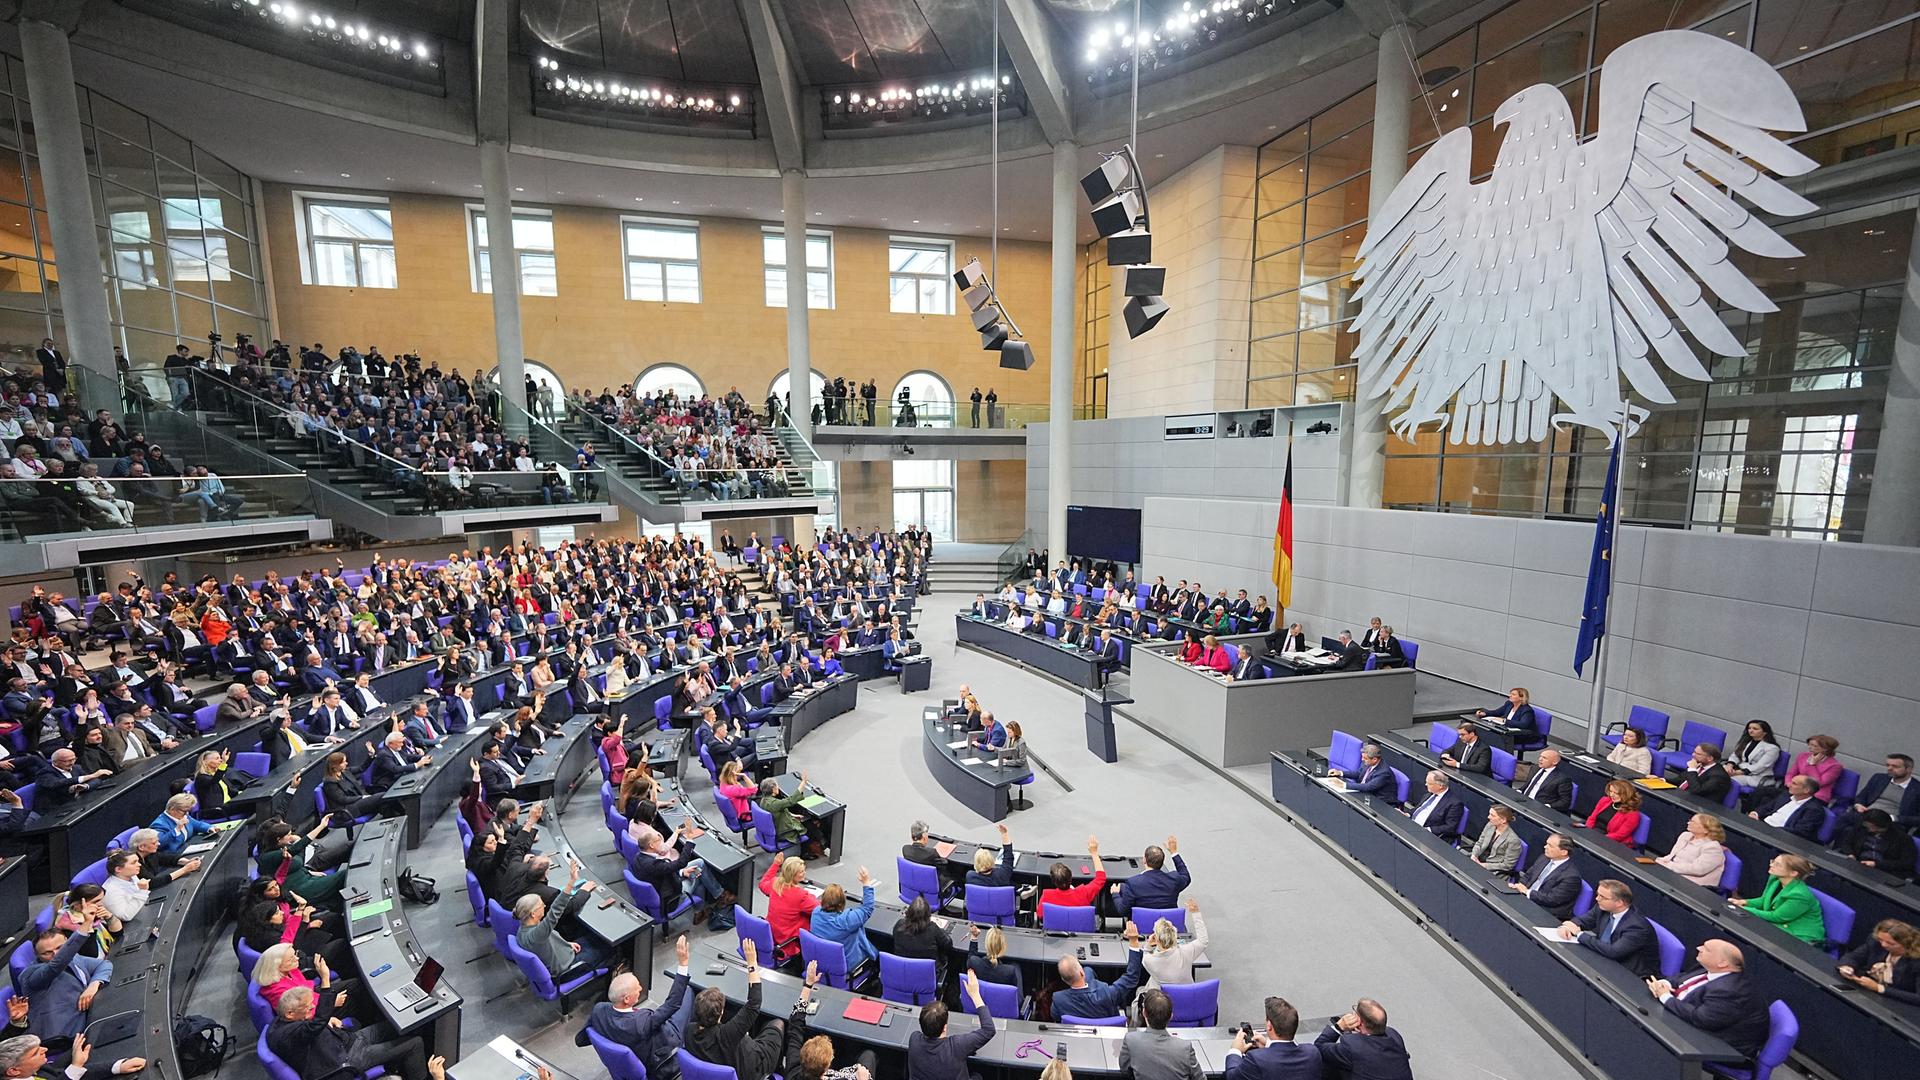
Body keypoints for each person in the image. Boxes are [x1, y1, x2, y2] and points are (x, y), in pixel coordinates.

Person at [575, 935, 692, 1080]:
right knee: (688, 992)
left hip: (638, 1052)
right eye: (637, 988)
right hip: (660, 1060)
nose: (641, 988)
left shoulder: (599, 1010)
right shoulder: (640, 1022)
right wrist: (683, 964)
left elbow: (581, 1040)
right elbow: (672, 1004)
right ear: (627, 999)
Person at [266, 986, 433, 1080]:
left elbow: (311, 1027)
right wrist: (325, 985)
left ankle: (402, 1063)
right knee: (414, 1043)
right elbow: (312, 1027)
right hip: (346, 1060)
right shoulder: (286, 1036)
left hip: (348, 1040)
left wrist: (326, 1020)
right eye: (309, 1008)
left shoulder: (281, 1023)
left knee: (397, 1024)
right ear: (289, 1013)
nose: (312, 1009)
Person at [1646, 939, 1770, 1064]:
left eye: (1706, 949)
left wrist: (1666, 997)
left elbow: (1701, 1018)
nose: (1699, 948)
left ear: (1722, 963)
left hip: (1721, 1045)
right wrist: (1664, 983)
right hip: (1696, 1021)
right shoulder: (1712, 969)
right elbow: (1681, 978)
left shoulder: (1730, 990)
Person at [686, 939, 783, 1080]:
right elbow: (754, 1003)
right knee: (777, 1023)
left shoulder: (689, 1030)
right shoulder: (727, 1034)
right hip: (753, 1068)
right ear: (721, 1014)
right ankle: (778, 1069)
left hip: (727, 1060)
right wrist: (752, 963)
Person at [783, 961, 878, 1080]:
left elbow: (795, 1026)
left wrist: (808, 985)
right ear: (828, 1066)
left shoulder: (792, 1070)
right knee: (869, 1055)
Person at [515, 858, 607, 978]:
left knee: (595, 938)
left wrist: (567, 944)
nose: (544, 906)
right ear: (532, 913)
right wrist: (572, 881)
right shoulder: (537, 934)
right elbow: (555, 910)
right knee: (608, 948)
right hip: (566, 969)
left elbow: (548, 942)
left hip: (562, 953)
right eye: (540, 906)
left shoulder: (523, 928)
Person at [19, 921, 112, 1038]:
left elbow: (104, 964)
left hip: (87, 1020)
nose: (56, 954)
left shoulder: (74, 958)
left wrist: (93, 985)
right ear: (37, 955)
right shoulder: (30, 975)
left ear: (67, 942)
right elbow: (56, 964)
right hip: (62, 1037)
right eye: (47, 953)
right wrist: (86, 924)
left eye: (60, 948)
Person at [1558, 879, 1660, 978]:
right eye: (1598, 894)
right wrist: (1568, 926)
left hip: (1629, 972)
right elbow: (1583, 921)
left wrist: (1579, 934)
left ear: (1619, 903)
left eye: (1602, 897)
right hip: (1603, 957)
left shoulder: (1637, 926)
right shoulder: (1602, 908)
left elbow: (1613, 951)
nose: (1597, 899)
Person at [907, 970, 994, 1080]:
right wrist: (975, 995)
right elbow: (989, 1030)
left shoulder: (914, 1039)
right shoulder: (957, 1046)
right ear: (944, 1028)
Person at [1052, 921, 1145, 1020]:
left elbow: (1055, 1017)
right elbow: (1131, 977)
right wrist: (1134, 942)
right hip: (1107, 1032)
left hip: (1076, 1033)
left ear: (1063, 980)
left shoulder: (1058, 1000)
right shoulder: (1107, 994)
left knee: (1089, 970)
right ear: (1081, 973)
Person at [1730, 854, 1826, 946]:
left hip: (1799, 935)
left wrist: (1745, 909)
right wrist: (1744, 902)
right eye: (1773, 861)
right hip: (1779, 924)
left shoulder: (1799, 895)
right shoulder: (1775, 880)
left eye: (1777, 865)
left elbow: (1777, 917)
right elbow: (1764, 900)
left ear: (1793, 873)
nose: (1771, 865)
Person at [1224, 995, 1320, 1080]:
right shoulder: (1312, 1052)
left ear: (1269, 1025)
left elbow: (1232, 1076)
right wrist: (1267, 1045)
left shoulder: (1256, 1059)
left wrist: (1235, 1050)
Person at [1313, 999, 1412, 1080]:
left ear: (1360, 1022)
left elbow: (1319, 1047)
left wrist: (1339, 1027)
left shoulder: (1352, 1046)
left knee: (1328, 1062)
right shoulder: (1394, 1035)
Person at [1119, 989, 1204, 1080]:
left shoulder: (1131, 1040)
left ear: (1144, 1013)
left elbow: (1124, 1068)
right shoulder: (1185, 1048)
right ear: (1171, 1016)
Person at [807, 867, 879, 974]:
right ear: (841, 903)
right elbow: (867, 908)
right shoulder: (846, 921)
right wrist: (866, 882)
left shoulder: (816, 913)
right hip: (848, 968)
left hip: (821, 962)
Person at [1836, 919, 1920, 1004]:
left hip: (1897, 1002)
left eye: (1890, 943)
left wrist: (1878, 988)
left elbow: (1918, 998)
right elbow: (1852, 957)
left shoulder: (1916, 961)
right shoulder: (1876, 943)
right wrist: (1847, 967)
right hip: (1869, 993)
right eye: (1881, 940)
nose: (1883, 945)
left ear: (1906, 943)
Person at [0, 1032, 147, 1080]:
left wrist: (118, 1067)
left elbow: (61, 1074)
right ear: (14, 1071)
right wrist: (76, 1065)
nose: (45, 1049)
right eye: (35, 1053)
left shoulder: (35, 1070)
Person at [1509, 833, 1582, 919]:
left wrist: (1527, 892)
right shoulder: (1544, 858)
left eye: (1550, 846)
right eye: (1546, 844)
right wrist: (1520, 885)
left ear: (1564, 852)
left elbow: (1552, 899)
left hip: (1545, 911)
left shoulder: (1571, 877)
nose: (1545, 847)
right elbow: (1529, 875)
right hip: (1527, 898)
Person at [758, 856, 817, 962]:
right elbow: (819, 908)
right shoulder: (801, 895)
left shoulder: (774, 883)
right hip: (789, 941)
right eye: (801, 872)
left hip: (773, 933)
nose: (804, 873)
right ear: (792, 874)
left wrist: (775, 864)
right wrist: (810, 896)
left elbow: (762, 883)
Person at [1113, 835, 1189, 916]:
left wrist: (1115, 894)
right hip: (1169, 926)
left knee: (1122, 888)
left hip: (1142, 927)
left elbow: (1123, 911)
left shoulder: (1133, 883)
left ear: (1144, 860)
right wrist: (1174, 852)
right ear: (1162, 862)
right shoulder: (1174, 879)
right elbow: (1185, 875)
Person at [1141, 898, 1208, 987]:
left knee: (1140, 989)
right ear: (1175, 936)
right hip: (1186, 997)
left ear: (1156, 939)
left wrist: (1148, 945)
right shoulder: (1186, 952)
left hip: (1161, 999)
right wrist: (1196, 913)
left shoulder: (1149, 960)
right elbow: (1203, 941)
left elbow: (1145, 954)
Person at [889, 896, 953, 983]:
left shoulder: (899, 925)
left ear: (908, 913)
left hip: (903, 970)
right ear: (928, 915)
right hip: (929, 975)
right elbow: (948, 944)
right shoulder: (933, 928)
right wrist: (942, 931)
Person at [1655, 814, 1730, 888]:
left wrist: (1670, 866)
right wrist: (1662, 861)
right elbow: (1673, 855)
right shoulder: (1685, 836)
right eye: (1690, 820)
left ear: (1706, 830)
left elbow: (1697, 870)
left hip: (1694, 884)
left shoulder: (1712, 848)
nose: (1688, 823)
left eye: (1693, 822)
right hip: (1674, 873)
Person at [1837, 809, 1917, 877]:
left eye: (1870, 826)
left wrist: (1877, 864)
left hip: (1884, 871)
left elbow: (1906, 863)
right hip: (1858, 863)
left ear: (1881, 827)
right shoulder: (1861, 828)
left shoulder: (1903, 839)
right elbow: (1846, 842)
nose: (1866, 827)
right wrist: (1850, 854)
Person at [1037, 836, 1107, 910]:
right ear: (1070, 878)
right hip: (1080, 922)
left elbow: (1040, 914)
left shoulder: (1047, 896)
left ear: (1054, 882)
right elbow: (1101, 878)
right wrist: (1094, 852)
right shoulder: (1083, 893)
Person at [1748, 776, 1825, 840]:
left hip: (1780, 836)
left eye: (1794, 784)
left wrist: (1771, 830)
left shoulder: (1814, 810)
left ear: (1806, 790)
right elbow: (1768, 807)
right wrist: (1756, 813)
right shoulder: (1786, 795)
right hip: (1762, 825)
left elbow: (1800, 831)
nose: (1789, 785)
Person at [1403, 771, 1465, 842]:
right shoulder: (1429, 794)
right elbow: (1418, 808)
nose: (1426, 785)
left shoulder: (1454, 804)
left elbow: (1450, 827)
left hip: (1427, 834)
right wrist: (1407, 814)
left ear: (1440, 786)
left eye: (1429, 783)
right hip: (1412, 824)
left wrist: (1429, 830)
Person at [1782, 734, 1843, 804]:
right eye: (1810, 744)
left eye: (1815, 746)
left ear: (1825, 749)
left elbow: (1818, 783)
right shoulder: (1803, 756)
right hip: (1796, 789)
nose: (1810, 747)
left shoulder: (1835, 766)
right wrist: (1789, 782)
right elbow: (1791, 773)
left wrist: (1812, 765)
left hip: (1816, 796)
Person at [1724, 720, 1783, 794]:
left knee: (1725, 780)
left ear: (1765, 732)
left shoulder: (1772, 748)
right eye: (1749, 728)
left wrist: (1736, 773)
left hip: (1756, 777)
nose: (1751, 731)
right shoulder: (1747, 741)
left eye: (1755, 729)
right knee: (1714, 772)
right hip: (1738, 770)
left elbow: (1760, 766)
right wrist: (1729, 766)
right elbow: (1735, 755)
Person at [1468, 804, 1524, 877]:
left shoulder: (1513, 840)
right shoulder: (1490, 825)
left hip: (1492, 869)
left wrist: (1483, 865)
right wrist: (1474, 855)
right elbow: (1479, 843)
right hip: (1478, 858)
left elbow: (1507, 865)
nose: (1488, 817)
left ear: (1503, 820)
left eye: (1492, 815)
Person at [1584, 779, 1644, 846]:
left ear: (1626, 794)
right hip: (1595, 831)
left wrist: (1599, 839)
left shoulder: (1633, 814)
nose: (1611, 795)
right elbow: (1592, 818)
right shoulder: (1605, 800)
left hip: (1612, 841)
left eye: (1616, 793)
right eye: (1610, 791)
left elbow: (1620, 835)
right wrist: (1587, 831)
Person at [1329, 744, 1394, 797]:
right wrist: (1340, 773)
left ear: (1374, 759)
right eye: (1362, 757)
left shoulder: (1384, 772)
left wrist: (1344, 785)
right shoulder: (1367, 762)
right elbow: (1358, 773)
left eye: (1365, 758)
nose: (1362, 759)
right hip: (1364, 792)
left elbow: (1368, 786)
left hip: (1378, 800)